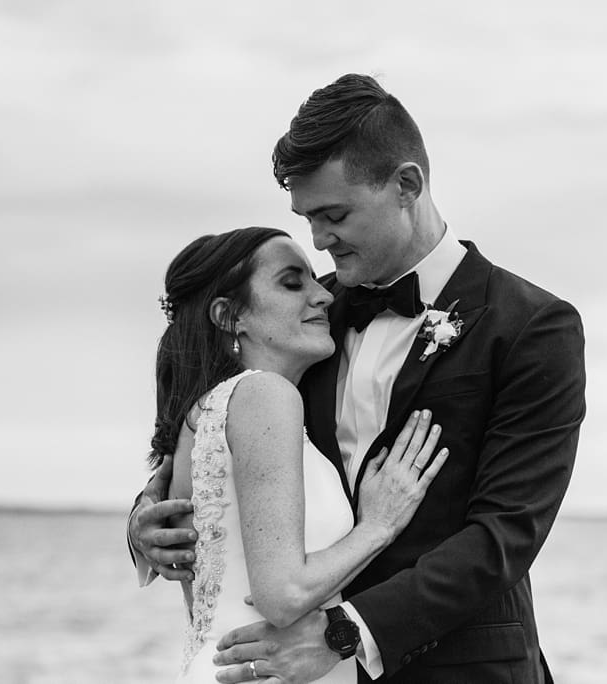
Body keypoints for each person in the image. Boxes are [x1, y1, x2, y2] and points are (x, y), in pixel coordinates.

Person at [132, 73, 586, 683]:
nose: (318, 240)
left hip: (462, 668)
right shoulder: (304, 317)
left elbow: (505, 533)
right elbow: (211, 435)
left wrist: (347, 633)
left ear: (406, 185)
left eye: (334, 214)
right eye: (306, 217)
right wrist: (146, 520)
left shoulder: (531, 326)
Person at [136, 226, 449, 682]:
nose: (324, 295)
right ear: (229, 316)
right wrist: (379, 524)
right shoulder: (265, 394)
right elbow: (281, 594)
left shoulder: (206, 411)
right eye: (291, 282)